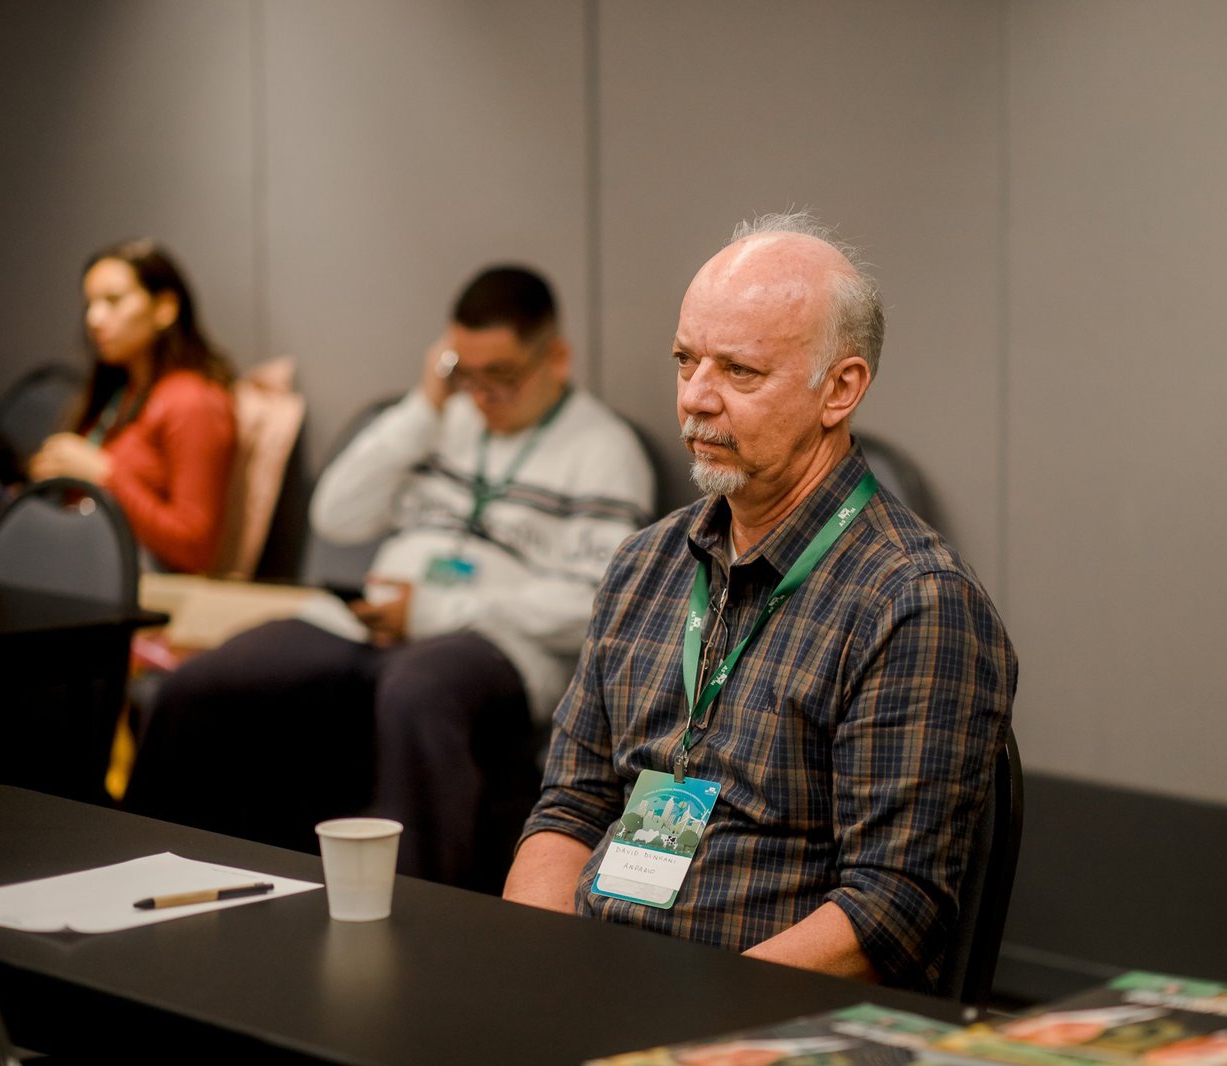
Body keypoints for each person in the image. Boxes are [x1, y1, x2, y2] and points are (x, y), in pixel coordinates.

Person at [502, 212, 1017, 992]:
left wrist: (688, 1021)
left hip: (754, 1016)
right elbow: (569, 810)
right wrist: (539, 974)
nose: (695, 400)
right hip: (595, 989)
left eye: (739, 372)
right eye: (685, 361)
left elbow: (891, 908)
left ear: (839, 390)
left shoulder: (915, 604)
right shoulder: (645, 565)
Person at [123, 265, 656, 887]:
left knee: (416, 692)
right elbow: (335, 514)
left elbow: (595, 601)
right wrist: (426, 404)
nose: (483, 396)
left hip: (493, 644)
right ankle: (150, 873)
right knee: (201, 686)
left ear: (556, 357)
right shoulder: (440, 419)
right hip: (367, 626)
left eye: (502, 376)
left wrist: (433, 611)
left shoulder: (603, 449)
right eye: (466, 373)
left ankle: (424, 912)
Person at [29, 238, 237, 573]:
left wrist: (103, 475)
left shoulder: (193, 401)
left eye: (113, 301)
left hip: (134, 572)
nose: (94, 318)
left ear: (165, 308)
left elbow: (194, 547)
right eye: (90, 304)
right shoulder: (119, 392)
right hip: (80, 549)